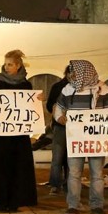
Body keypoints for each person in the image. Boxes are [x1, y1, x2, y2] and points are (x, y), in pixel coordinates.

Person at [0, 49, 38, 213]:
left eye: (10, 64)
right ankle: (1, 201)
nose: (7, 67)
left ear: (18, 65)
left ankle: (16, 201)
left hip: (18, 137)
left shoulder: (26, 84)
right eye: (6, 64)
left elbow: (29, 107)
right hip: (0, 137)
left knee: (18, 169)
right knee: (1, 169)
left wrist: (37, 101)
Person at [55, 59, 108, 214]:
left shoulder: (102, 89)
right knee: (74, 173)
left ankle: (97, 205)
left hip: (97, 139)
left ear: (83, 72)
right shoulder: (68, 89)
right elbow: (59, 108)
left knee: (97, 173)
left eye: (74, 72)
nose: (71, 76)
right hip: (75, 139)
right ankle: (73, 205)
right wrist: (60, 118)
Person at [43, 66, 72, 194]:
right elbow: (50, 105)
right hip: (60, 126)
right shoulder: (58, 87)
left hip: (75, 127)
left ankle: (69, 183)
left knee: (71, 157)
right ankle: (55, 183)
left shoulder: (80, 88)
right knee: (58, 155)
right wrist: (57, 112)